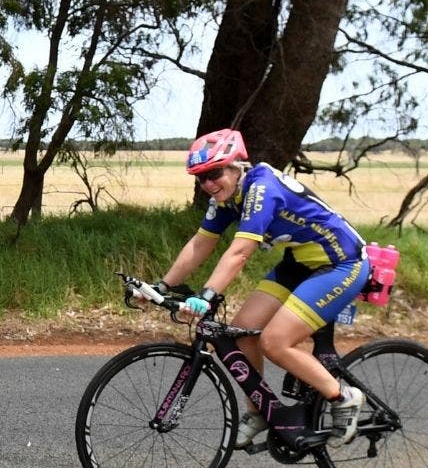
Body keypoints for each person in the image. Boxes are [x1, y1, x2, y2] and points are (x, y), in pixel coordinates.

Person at [152, 128, 369, 448]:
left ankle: (343, 397)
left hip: (342, 263)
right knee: (240, 333)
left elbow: (239, 253)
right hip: (300, 262)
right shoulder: (227, 197)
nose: (208, 184)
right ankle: (261, 412)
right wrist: (161, 286)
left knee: (275, 342)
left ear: (236, 164)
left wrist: (206, 296)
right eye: (200, 179)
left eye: (214, 174)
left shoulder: (261, 189)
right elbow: (200, 244)